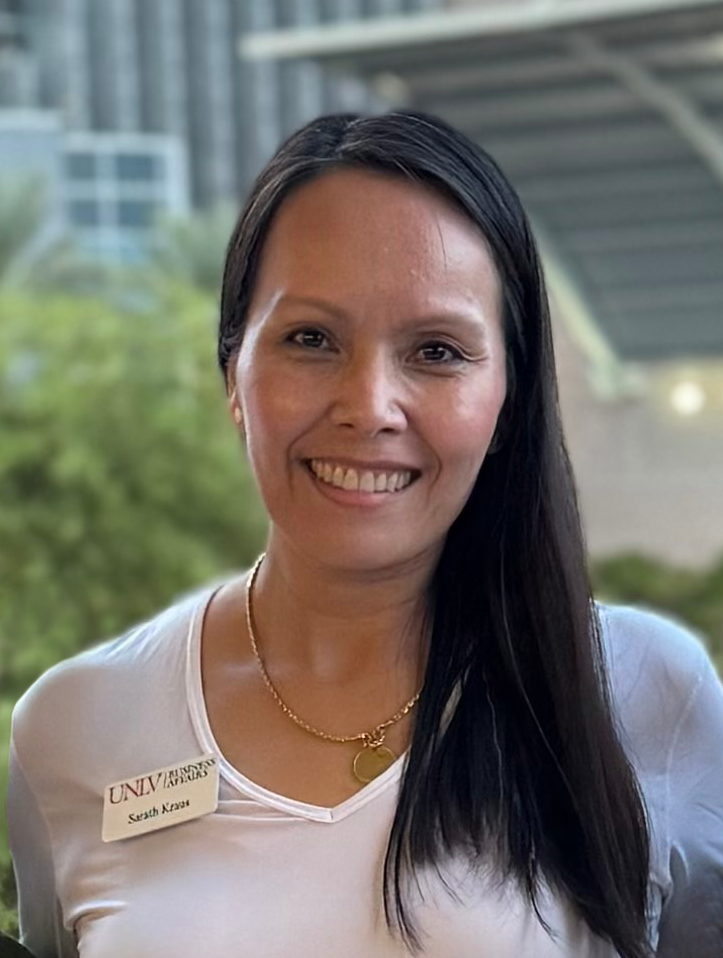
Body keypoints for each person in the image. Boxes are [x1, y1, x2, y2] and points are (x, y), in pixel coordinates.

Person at [5, 111, 723, 958]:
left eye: (436, 351)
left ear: (506, 402)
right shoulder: (74, 726)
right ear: (232, 370)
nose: (368, 407)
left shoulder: (641, 695)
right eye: (311, 339)